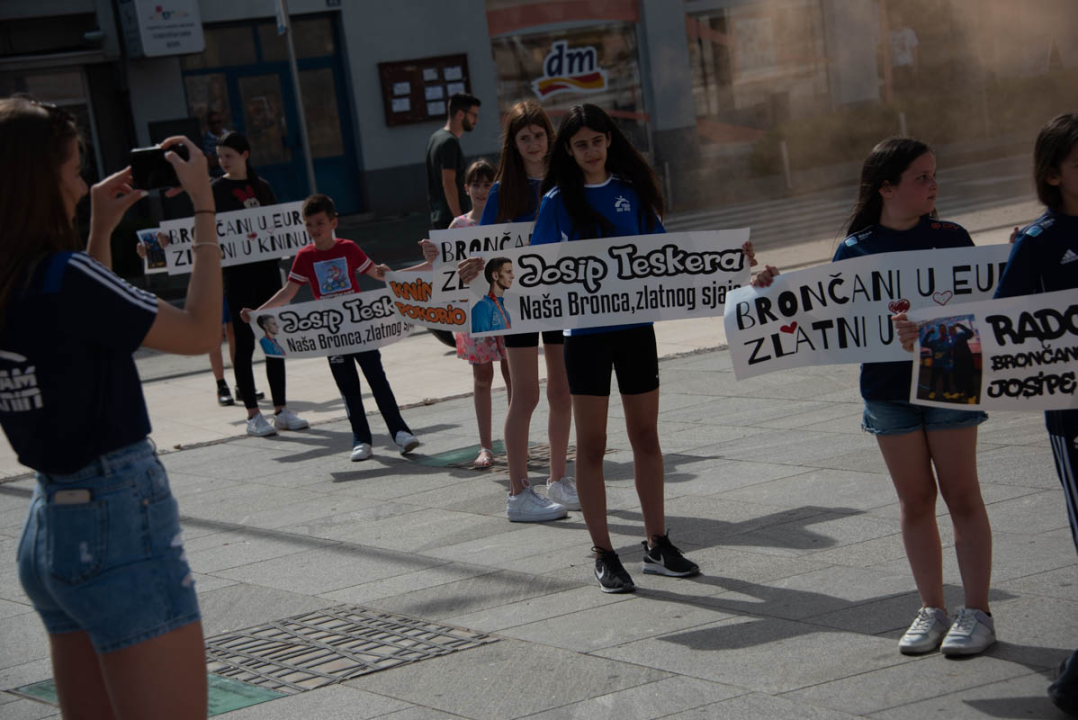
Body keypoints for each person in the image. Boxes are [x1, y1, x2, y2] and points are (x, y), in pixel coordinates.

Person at [0, 98, 220, 718]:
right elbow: (202, 331)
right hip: (115, 517)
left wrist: (97, 229)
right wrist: (204, 207)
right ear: (39, 180)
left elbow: (75, 333)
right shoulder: (64, 275)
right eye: (73, 169)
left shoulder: (20, 276)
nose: (81, 180)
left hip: (52, 525)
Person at [901, 113, 1077, 711]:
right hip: (1074, 423)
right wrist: (927, 343)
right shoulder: (1038, 242)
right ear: (1052, 175)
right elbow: (996, 332)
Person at [835, 137, 995, 656]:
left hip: (950, 377)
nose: (933, 185)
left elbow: (983, 313)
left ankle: (977, 612)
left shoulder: (952, 236)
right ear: (886, 188)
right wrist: (765, 286)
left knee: (962, 496)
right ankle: (932, 609)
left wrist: (931, 328)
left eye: (934, 174)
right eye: (921, 177)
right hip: (887, 389)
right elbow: (822, 317)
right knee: (915, 501)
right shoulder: (855, 248)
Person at [531, 104, 697, 592]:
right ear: (568, 149)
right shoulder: (558, 200)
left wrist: (727, 261)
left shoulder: (631, 192)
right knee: (595, 446)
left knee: (647, 437)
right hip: (583, 338)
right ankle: (604, 552)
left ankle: (657, 543)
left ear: (610, 141)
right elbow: (533, 271)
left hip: (634, 332)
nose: (590, 151)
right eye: (580, 144)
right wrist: (485, 270)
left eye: (597, 141)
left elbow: (669, 257)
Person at [461, 100, 578, 519]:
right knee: (525, 394)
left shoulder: (566, 181)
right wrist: (469, 264)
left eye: (539, 135)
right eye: (524, 137)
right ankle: (517, 492)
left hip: (560, 297)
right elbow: (481, 248)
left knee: (563, 391)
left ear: (550, 137)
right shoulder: (501, 190)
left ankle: (559, 480)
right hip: (516, 304)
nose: (533, 143)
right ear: (513, 142)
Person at [244, 194, 420, 461]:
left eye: (320, 223)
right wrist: (259, 312)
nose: (315, 230)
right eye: (309, 225)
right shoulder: (304, 257)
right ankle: (361, 439)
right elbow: (289, 292)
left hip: (361, 330)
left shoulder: (348, 248)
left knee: (377, 380)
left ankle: (400, 432)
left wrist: (390, 273)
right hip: (331, 335)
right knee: (348, 387)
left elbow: (375, 273)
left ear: (333, 222)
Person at [214, 131, 308, 437]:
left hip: (266, 274)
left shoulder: (262, 187)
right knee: (243, 344)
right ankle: (253, 415)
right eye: (219, 156)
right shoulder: (215, 190)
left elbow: (280, 226)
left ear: (244, 154)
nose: (223, 161)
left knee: (273, 340)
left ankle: (280, 410)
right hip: (237, 277)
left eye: (228, 155)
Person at [447, 160, 512, 468]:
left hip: (508, 310)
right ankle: (486, 446)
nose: (482, 190)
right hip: (474, 313)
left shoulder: (505, 222)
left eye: (488, 184)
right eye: (476, 184)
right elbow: (444, 273)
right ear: (466, 189)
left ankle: (516, 439)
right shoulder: (458, 227)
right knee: (482, 376)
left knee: (515, 374)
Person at [138, 231, 239, 405]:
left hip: (232, 278)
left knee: (235, 333)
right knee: (214, 335)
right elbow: (170, 243)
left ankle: (242, 382)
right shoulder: (186, 223)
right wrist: (149, 249)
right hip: (208, 283)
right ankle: (221, 384)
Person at [426, 92, 480, 230]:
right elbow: (448, 182)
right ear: (461, 114)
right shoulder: (449, 142)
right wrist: (459, 220)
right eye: (474, 115)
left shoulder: (436, 137)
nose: (476, 120)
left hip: (440, 216)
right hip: (449, 220)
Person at [471, 257, 513, 334]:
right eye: (508, 272)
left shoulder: (506, 313)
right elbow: (480, 343)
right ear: (495, 276)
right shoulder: (482, 307)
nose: (512, 276)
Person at [202, 110, 227, 178]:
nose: (216, 125)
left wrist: (218, 158)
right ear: (208, 124)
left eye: (218, 122)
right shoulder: (206, 140)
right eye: (213, 123)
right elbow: (212, 163)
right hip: (218, 176)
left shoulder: (230, 135)